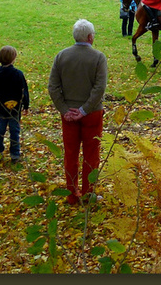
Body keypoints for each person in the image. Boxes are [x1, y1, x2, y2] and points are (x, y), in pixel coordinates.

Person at [47, 19, 109, 206]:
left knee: (71, 154)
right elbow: (99, 89)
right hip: (91, 114)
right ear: (90, 37)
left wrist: (65, 110)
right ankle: (88, 193)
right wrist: (84, 110)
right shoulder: (98, 57)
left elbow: (53, 87)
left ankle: (72, 194)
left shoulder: (61, 56)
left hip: (68, 115)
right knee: (91, 154)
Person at [0, 45, 31, 162]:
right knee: (14, 131)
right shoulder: (18, 74)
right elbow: (24, 91)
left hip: (1, 107)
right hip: (15, 108)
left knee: (0, 130)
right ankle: (15, 154)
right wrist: (26, 105)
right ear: (14, 58)